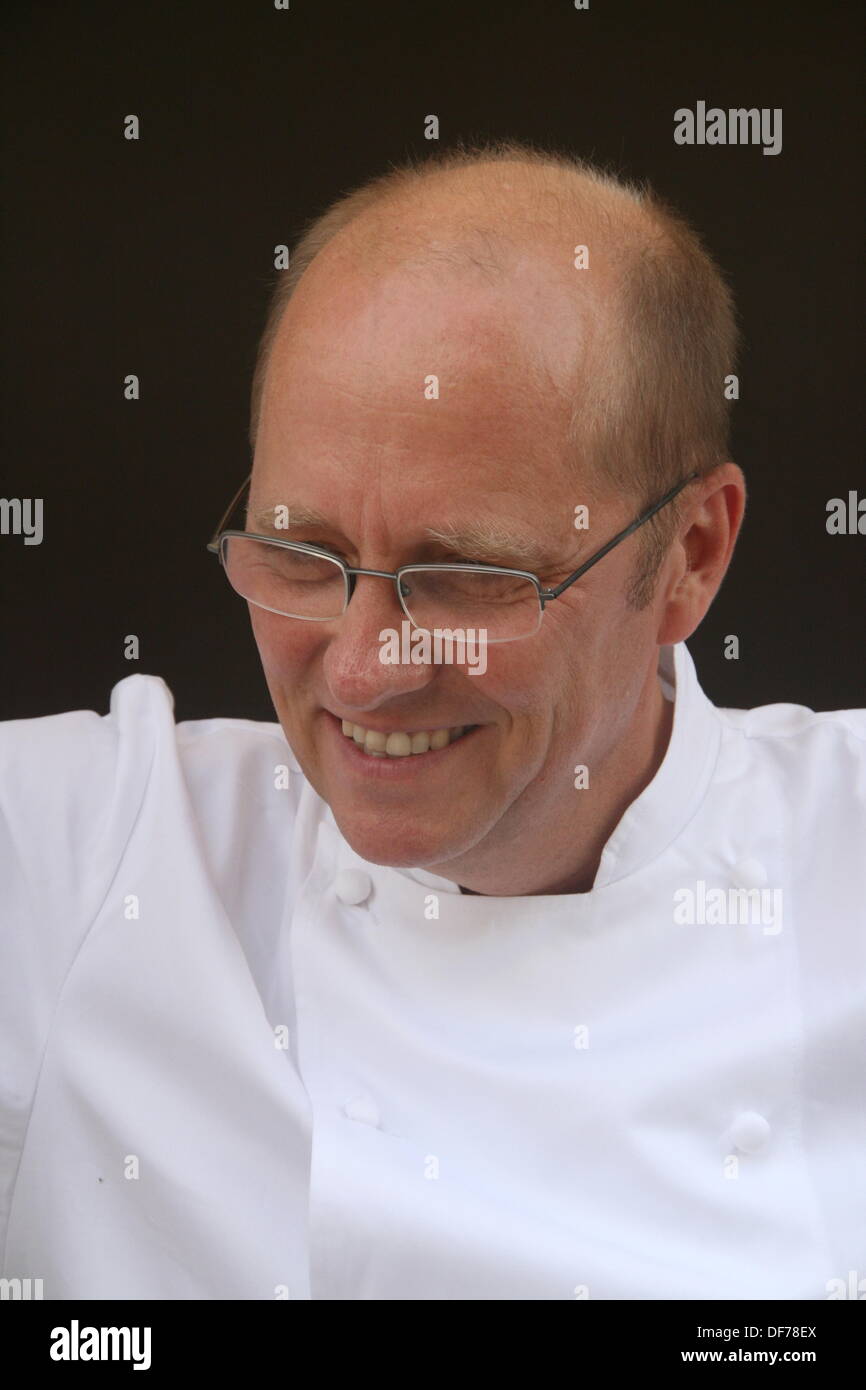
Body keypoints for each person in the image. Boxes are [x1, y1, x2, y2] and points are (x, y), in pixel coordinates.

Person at [1, 141, 863, 1301]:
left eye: (464, 573)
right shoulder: (96, 851)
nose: (360, 674)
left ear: (689, 557)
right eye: (300, 554)